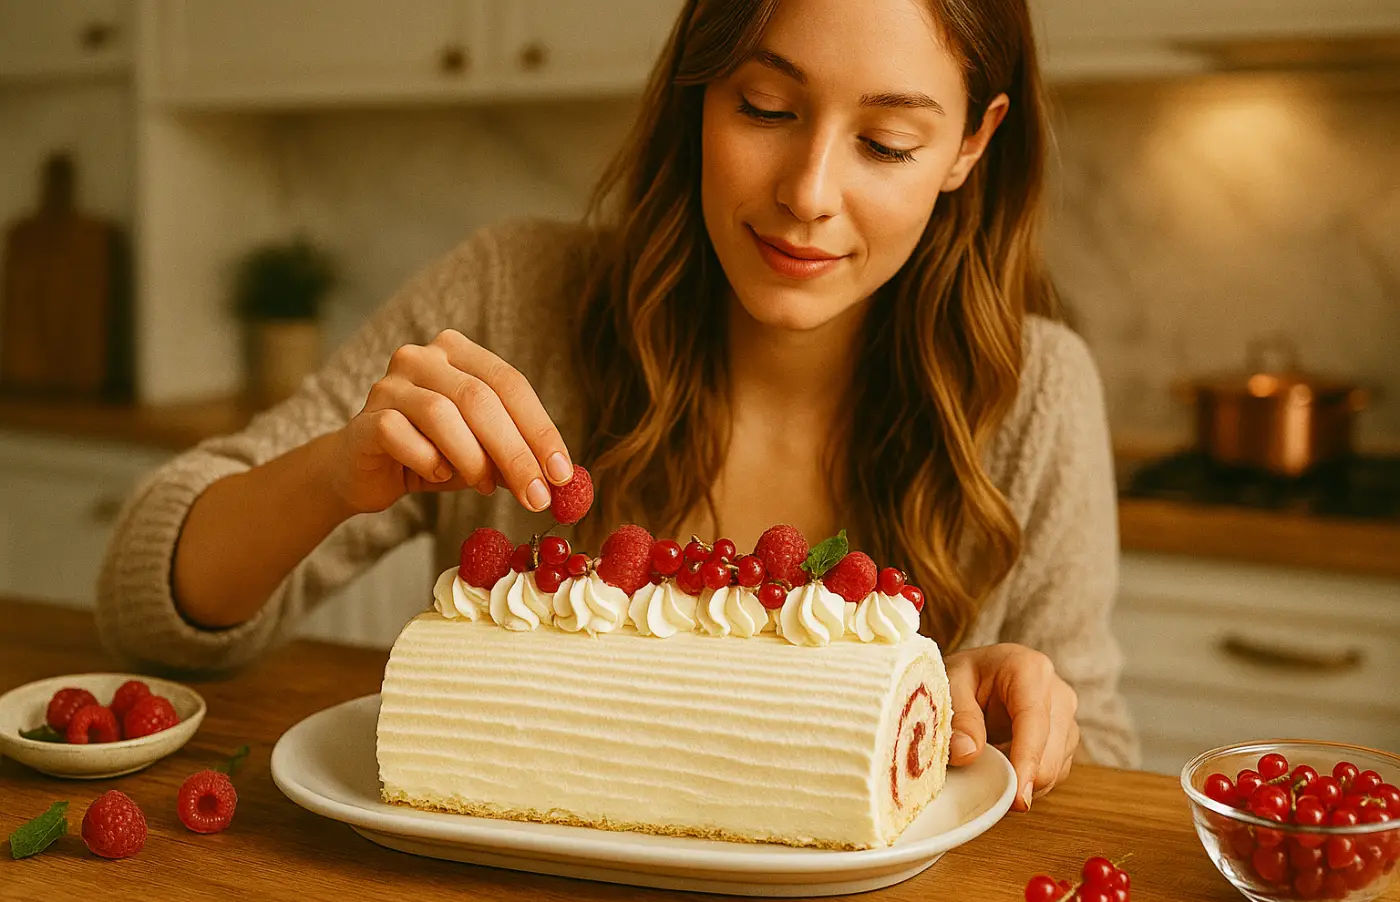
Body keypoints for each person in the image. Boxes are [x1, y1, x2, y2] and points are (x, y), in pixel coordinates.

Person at [96, 0, 1140, 813]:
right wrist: (330, 473)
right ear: (696, 90)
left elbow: (1097, 769)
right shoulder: (511, 296)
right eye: (764, 109)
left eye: (886, 142)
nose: (808, 190)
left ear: (968, 142)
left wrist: (1019, 713)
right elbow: (148, 613)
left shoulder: (1037, 394)